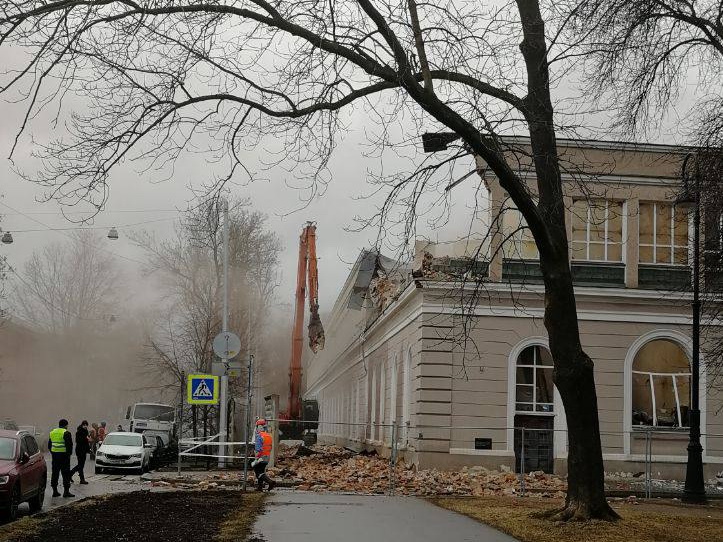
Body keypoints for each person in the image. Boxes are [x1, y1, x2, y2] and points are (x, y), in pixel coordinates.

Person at [48, 419, 74, 498]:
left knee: (55, 473)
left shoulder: (52, 432)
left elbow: (49, 446)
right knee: (65, 473)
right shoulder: (66, 433)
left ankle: (55, 491)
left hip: (55, 456)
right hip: (64, 457)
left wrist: (54, 453)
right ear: (66, 425)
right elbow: (69, 446)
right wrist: (68, 455)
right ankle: (66, 492)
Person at [252, 419, 276, 491]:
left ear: (259, 427)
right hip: (267, 456)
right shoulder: (268, 436)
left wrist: (256, 458)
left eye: (257, 427)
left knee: (257, 471)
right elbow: (270, 447)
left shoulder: (259, 436)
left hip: (260, 456)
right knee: (261, 471)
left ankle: (270, 482)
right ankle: (260, 487)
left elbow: (258, 449)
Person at [70, 420, 90, 484]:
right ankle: (82, 479)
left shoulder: (86, 431)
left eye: (86, 425)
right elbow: (78, 441)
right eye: (84, 425)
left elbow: (86, 443)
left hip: (84, 450)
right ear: (82, 425)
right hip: (79, 450)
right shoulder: (79, 432)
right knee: (80, 465)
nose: (85, 426)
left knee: (81, 465)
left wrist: (88, 449)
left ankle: (70, 474)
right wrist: (86, 438)